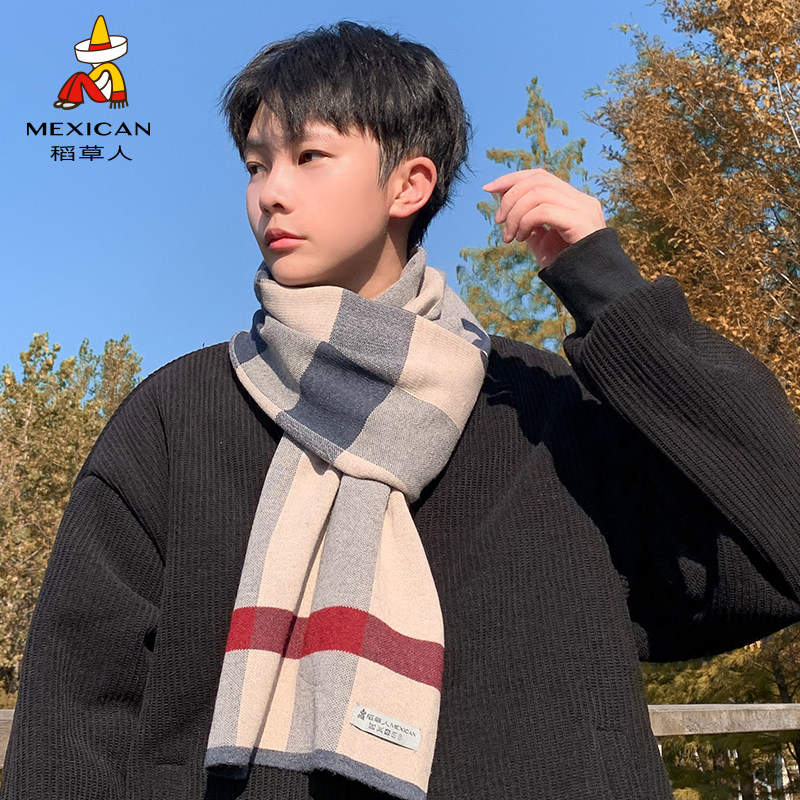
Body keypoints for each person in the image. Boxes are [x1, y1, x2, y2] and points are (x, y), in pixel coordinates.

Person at [4, 21, 800, 800]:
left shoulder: (538, 407)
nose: (270, 192)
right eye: (256, 164)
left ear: (409, 184)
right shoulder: (179, 418)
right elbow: (74, 713)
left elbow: (777, 542)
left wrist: (611, 293)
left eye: (309, 156)